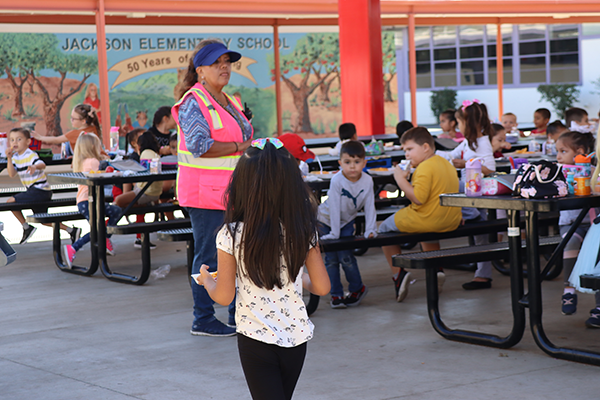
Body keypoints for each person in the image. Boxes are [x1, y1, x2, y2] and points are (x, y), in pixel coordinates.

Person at [195, 137, 330, 400]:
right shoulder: (303, 230)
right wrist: (298, 277)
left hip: (255, 339)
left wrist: (205, 280)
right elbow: (323, 287)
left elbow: (224, 296)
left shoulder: (231, 235)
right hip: (297, 337)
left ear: (241, 185)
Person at [172, 38, 254, 337]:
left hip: (235, 193)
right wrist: (240, 145)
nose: (225, 67)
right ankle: (203, 318)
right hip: (206, 195)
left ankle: (237, 314)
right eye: (217, 63)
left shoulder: (227, 99)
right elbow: (199, 145)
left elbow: (244, 135)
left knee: (240, 254)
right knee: (209, 256)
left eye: (228, 62)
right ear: (200, 70)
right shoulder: (194, 101)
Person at [378, 127, 462, 301]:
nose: (407, 155)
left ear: (425, 147)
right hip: (450, 219)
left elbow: (418, 198)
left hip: (427, 219)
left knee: (384, 228)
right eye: (405, 151)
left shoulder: (424, 168)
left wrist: (401, 180)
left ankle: (398, 274)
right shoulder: (445, 163)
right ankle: (436, 268)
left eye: (410, 149)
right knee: (428, 231)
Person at [318, 141, 376, 308]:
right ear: (340, 163)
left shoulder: (368, 181)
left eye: (357, 162)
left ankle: (357, 288)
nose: (352, 167)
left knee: (346, 257)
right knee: (331, 260)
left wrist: (371, 229)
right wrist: (334, 234)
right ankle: (336, 295)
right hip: (326, 220)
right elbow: (334, 208)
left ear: (364, 163)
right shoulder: (337, 181)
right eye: (347, 162)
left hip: (347, 223)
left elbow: (370, 205)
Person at [6, 128, 81, 244]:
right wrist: (9, 158)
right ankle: (72, 230)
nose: (15, 143)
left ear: (28, 142)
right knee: (43, 220)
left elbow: (42, 164)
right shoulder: (15, 158)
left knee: (10, 202)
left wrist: (35, 167)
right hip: (34, 191)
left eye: (19, 139)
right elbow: (11, 174)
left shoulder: (30, 155)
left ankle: (26, 227)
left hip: (40, 191)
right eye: (12, 140)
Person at [554, 131, 599, 321]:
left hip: (594, 224)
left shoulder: (594, 168)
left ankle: (599, 306)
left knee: (598, 256)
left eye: (563, 151)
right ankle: (568, 289)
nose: (558, 156)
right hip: (571, 223)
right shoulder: (558, 172)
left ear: (579, 152)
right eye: (557, 151)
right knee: (570, 242)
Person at [62, 133, 121, 268]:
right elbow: (99, 179)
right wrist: (109, 171)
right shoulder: (93, 161)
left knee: (102, 223)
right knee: (109, 218)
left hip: (83, 201)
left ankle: (105, 238)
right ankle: (74, 248)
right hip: (91, 201)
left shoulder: (81, 161)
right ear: (94, 146)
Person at [32, 104, 104, 156]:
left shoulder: (76, 134)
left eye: (74, 119)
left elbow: (56, 140)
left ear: (83, 121)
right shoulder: (93, 128)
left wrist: (40, 138)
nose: (71, 120)